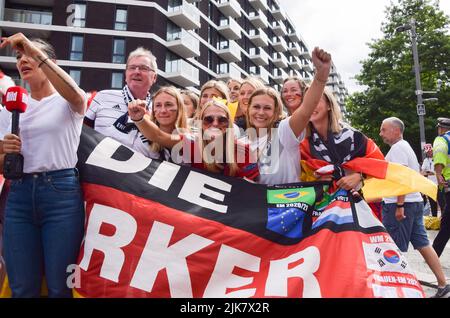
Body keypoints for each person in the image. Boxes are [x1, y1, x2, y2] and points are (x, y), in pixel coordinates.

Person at [0, 33, 86, 297]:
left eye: (29, 54)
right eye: (18, 56)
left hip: (61, 195)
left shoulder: (68, 102)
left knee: (61, 287)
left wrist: (30, 46)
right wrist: (3, 152)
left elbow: (76, 95)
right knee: (23, 287)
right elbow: (2, 163)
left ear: (48, 61)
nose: (23, 59)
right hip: (19, 195)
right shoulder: (7, 110)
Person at [379, 117, 449, 298]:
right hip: (413, 201)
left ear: (395, 130)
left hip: (401, 204)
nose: (381, 134)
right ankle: (442, 283)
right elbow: (413, 175)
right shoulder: (406, 147)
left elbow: (402, 178)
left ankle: (398, 290)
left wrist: (400, 205)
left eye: (383, 130)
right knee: (423, 244)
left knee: (395, 250)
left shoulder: (397, 149)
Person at [243, 47, 332, 185]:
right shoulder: (240, 143)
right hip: (255, 205)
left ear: (276, 113)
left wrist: (321, 75)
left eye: (267, 108)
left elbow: (305, 110)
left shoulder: (283, 133)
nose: (260, 112)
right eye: (256, 107)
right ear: (248, 110)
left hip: (289, 204)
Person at [128, 98, 259, 181]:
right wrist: (139, 118)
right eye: (208, 119)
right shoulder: (191, 144)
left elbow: (251, 190)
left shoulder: (244, 150)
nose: (215, 124)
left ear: (229, 124)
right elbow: (158, 136)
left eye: (222, 120)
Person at [84, 47, 158, 158]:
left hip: (138, 173)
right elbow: (82, 133)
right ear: (126, 75)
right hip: (99, 170)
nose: (136, 72)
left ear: (154, 77)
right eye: (132, 68)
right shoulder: (103, 96)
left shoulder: (159, 111)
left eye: (143, 68)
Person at [149, 86, 188, 161]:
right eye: (158, 105)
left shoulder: (191, 137)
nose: (163, 110)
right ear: (153, 111)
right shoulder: (143, 139)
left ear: (179, 109)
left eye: (168, 104)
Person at [432, 117, 450, 258]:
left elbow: (439, 152)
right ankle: (434, 253)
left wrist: (438, 173)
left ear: (441, 128)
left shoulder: (442, 139)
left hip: (448, 183)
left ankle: (434, 254)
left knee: (447, 222)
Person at [421, 143, 441, 217]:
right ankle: (434, 219)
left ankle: (444, 219)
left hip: (439, 184)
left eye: (430, 151)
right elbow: (422, 172)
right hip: (430, 185)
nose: (429, 153)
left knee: (442, 203)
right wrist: (428, 173)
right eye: (427, 152)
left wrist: (433, 173)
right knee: (433, 204)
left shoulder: (438, 158)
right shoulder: (426, 160)